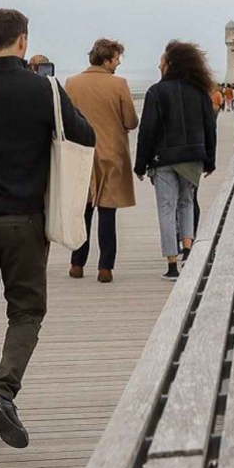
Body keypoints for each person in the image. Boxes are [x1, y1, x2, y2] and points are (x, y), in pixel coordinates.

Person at [0, 8, 95, 451]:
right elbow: (85, 136)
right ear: (22, 42)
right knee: (26, 311)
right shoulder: (42, 88)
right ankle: (1, 393)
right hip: (23, 220)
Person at [135, 41, 218, 282]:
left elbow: (147, 131)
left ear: (171, 64)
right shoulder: (200, 91)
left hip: (163, 160)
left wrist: (140, 164)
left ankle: (172, 264)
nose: (159, 64)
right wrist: (210, 160)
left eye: (162, 61)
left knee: (166, 208)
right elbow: (209, 128)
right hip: (192, 157)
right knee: (186, 203)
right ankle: (188, 250)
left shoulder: (156, 92)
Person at [64, 38, 139, 284]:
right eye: (116, 59)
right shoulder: (119, 84)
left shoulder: (72, 83)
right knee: (108, 213)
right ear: (107, 60)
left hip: (81, 154)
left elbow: (66, 121)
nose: (118, 63)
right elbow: (130, 121)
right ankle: (105, 268)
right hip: (110, 154)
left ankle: (77, 262)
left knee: (82, 211)